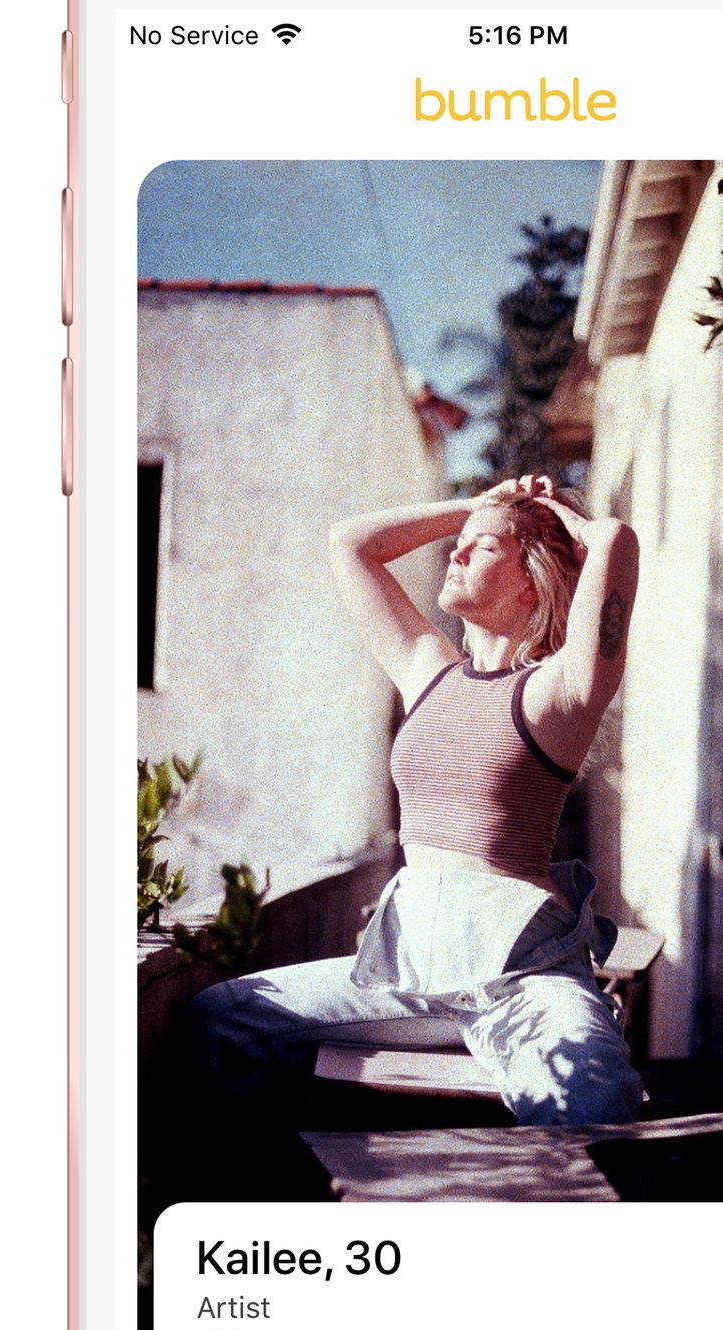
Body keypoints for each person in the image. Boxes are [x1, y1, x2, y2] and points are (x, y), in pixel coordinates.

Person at [194, 475, 645, 1125]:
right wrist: (476, 509)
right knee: (226, 1017)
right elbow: (350, 544)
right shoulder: (427, 669)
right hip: (412, 970)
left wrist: (565, 522)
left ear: (531, 580)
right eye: (460, 541)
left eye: (482, 547)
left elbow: (616, 540)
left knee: (594, 1100)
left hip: (523, 975)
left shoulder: (557, 693)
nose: (456, 552)